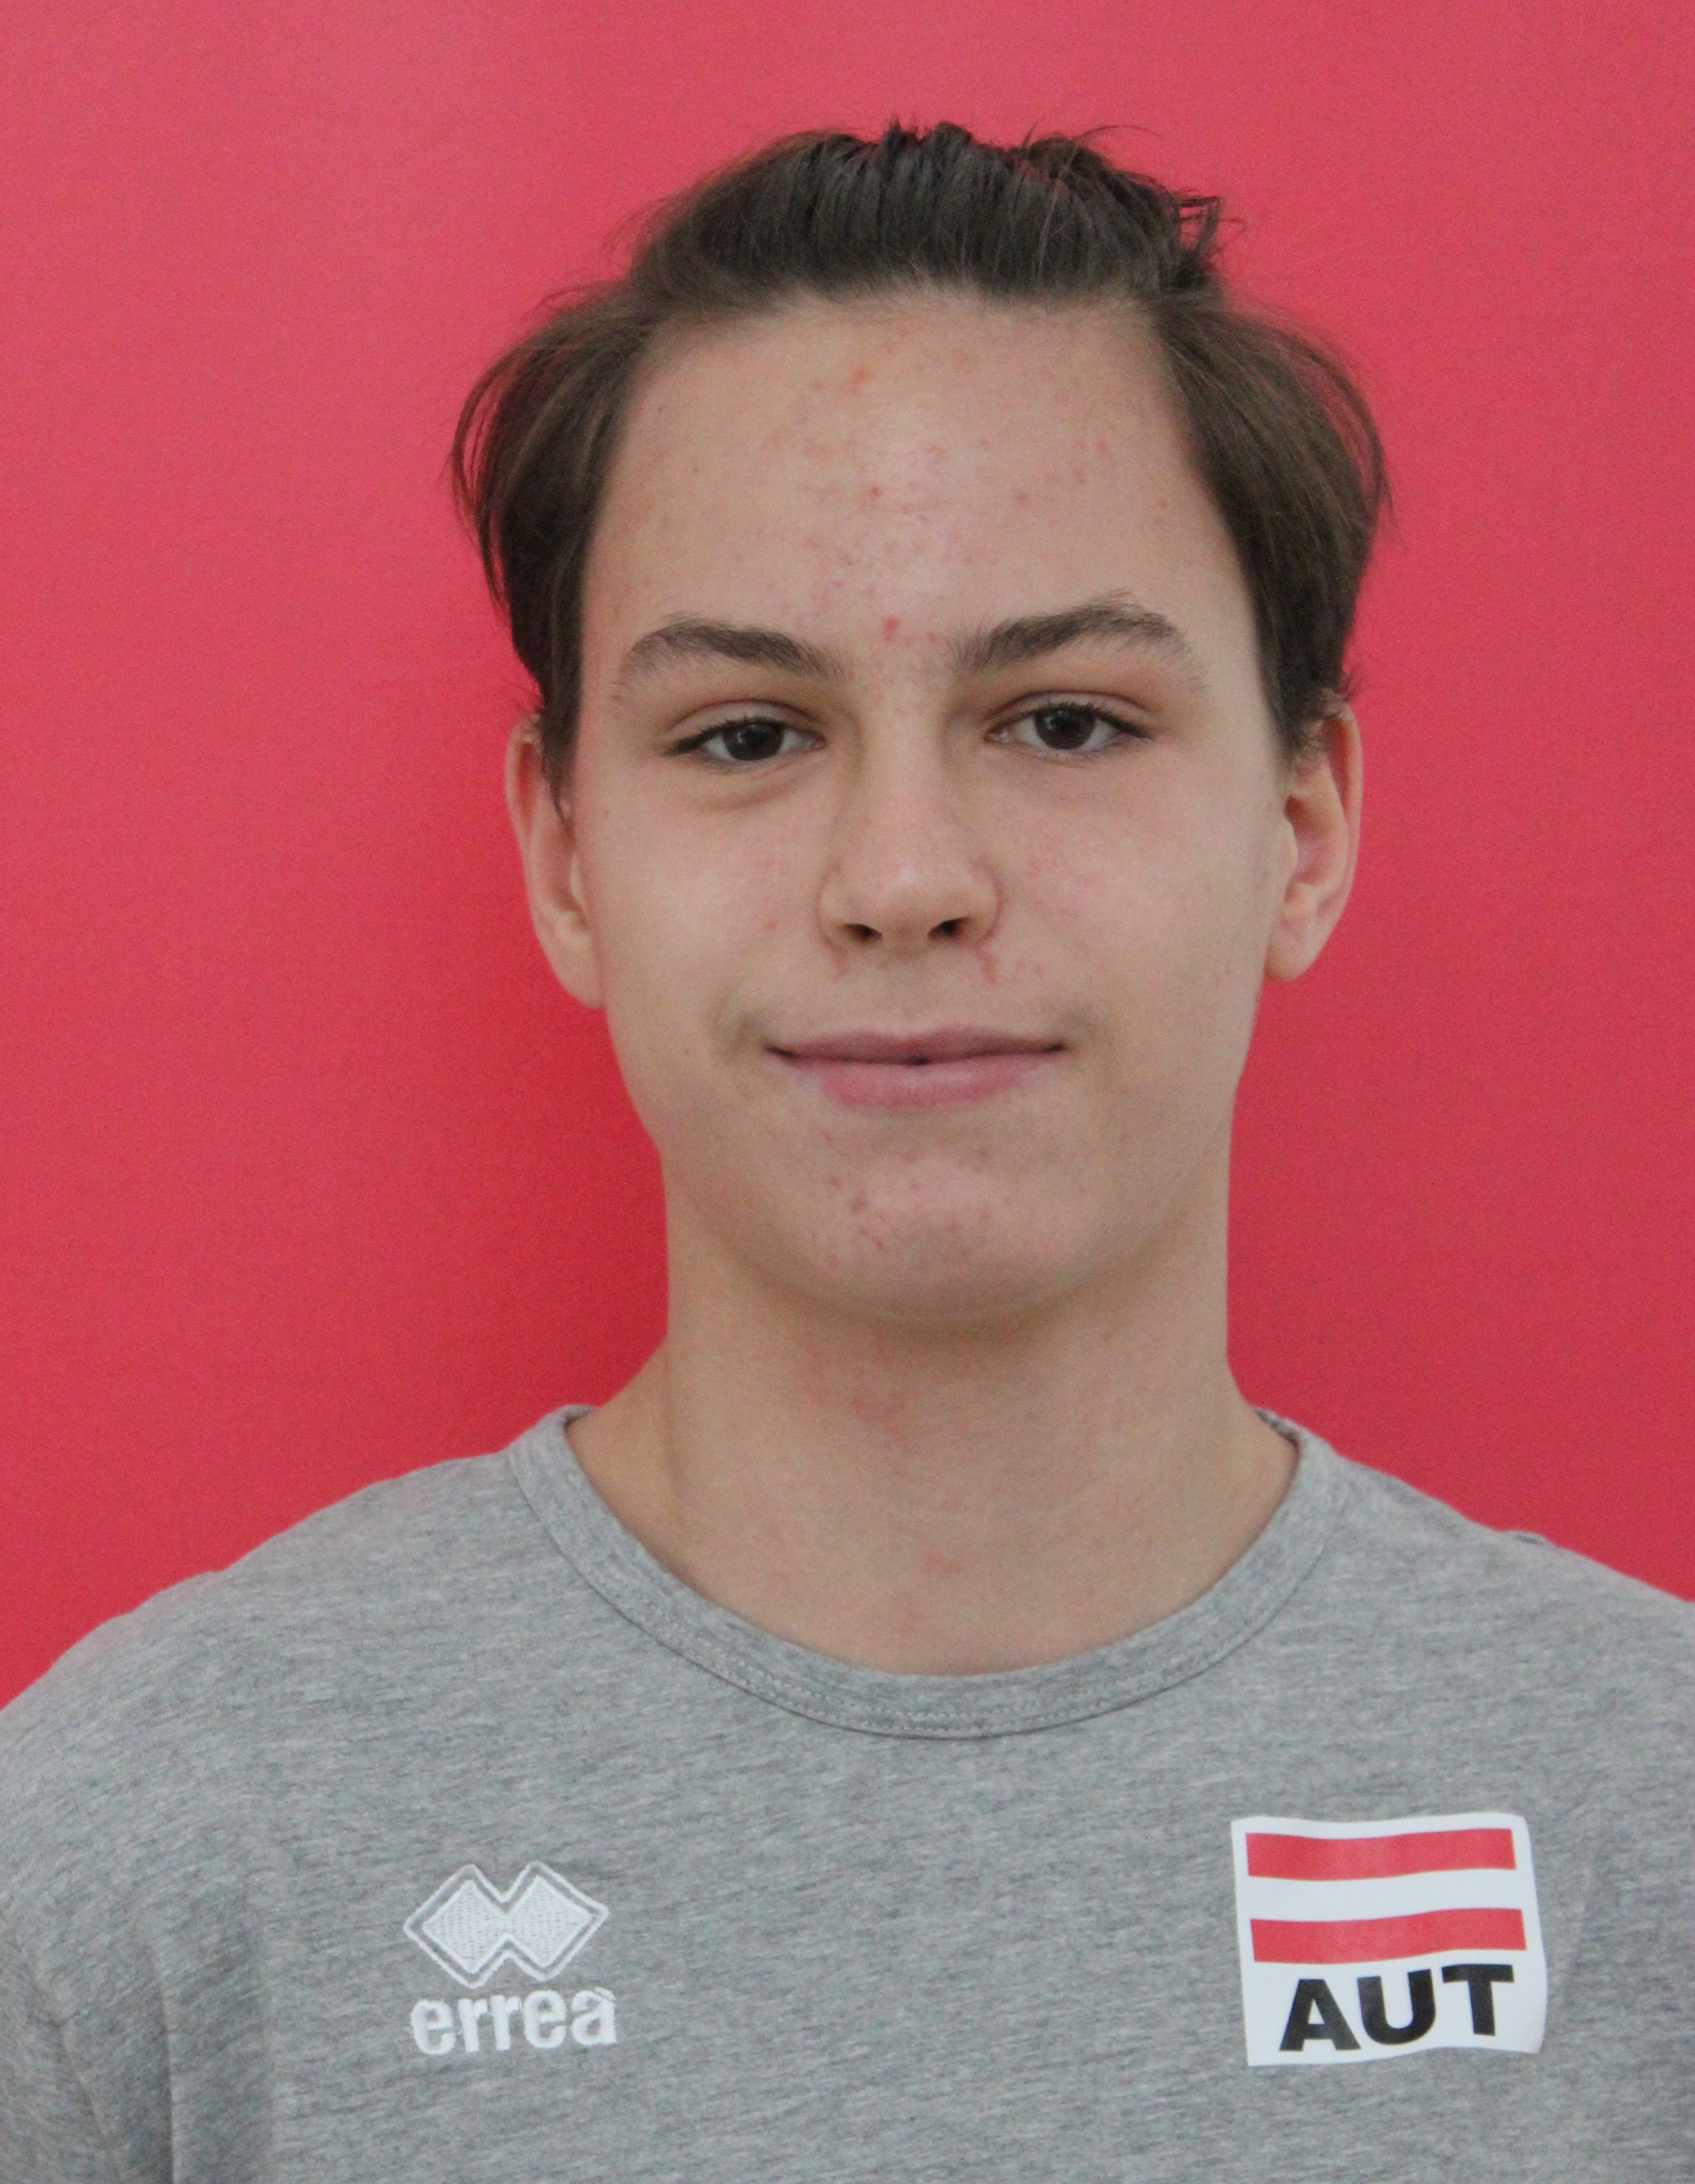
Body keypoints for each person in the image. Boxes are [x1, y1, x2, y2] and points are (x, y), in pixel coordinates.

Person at [1, 122, 1688, 2182]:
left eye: (1063, 720)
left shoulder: (1650, 1816)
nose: (903, 877)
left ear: (1302, 826)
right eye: (746, 733)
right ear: (564, 855)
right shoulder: (137, 1869)